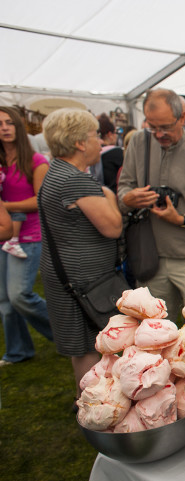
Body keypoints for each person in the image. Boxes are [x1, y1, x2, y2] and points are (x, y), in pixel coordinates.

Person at [117, 88, 185, 320]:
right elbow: (122, 190)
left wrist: (181, 220)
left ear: (182, 117)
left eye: (166, 127)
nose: (158, 134)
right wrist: (129, 198)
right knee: (152, 331)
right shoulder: (139, 143)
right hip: (149, 258)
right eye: (152, 126)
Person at [38, 108, 122, 390]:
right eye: (95, 135)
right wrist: (108, 193)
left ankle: (86, 402)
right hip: (83, 282)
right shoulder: (75, 180)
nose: (100, 141)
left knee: (82, 347)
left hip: (66, 276)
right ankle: (93, 406)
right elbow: (112, 227)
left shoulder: (55, 172)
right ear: (79, 143)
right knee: (90, 347)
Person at [0, 106, 54, 366]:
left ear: (19, 127)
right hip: (2, 234)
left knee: (20, 295)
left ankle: (66, 335)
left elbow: (39, 201)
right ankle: (18, 351)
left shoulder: (36, 161)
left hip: (29, 236)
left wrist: (5, 206)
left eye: (10, 122)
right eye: (0, 123)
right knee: (5, 301)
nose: (5, 127)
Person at [97, 114, 124, 192]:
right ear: (110, 134)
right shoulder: (117, 152)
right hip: (113, 193)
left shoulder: (93, 153)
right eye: (115, 133)